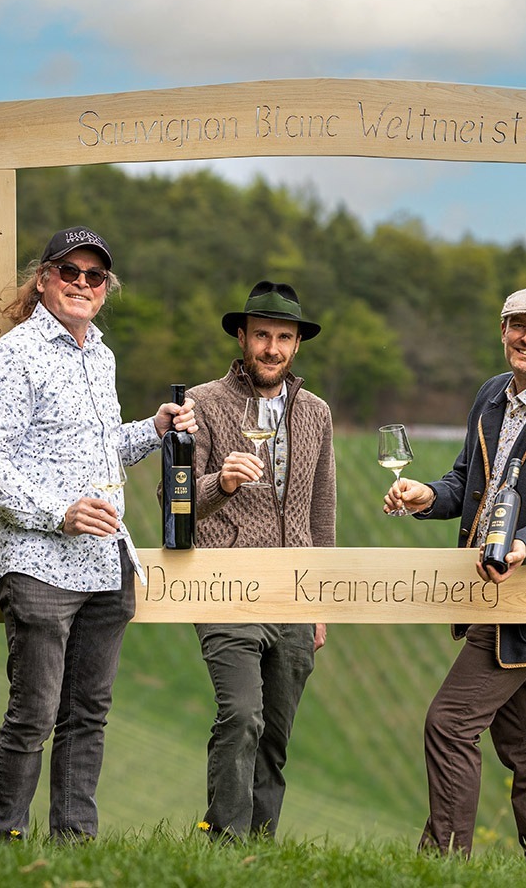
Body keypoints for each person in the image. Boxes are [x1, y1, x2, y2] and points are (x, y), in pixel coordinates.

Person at [0, 225, 197, 842]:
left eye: (95, 277)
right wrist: (58, 511)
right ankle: (4, 842)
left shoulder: (101, 354)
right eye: (71, 273)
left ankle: (74, 846)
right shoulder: (15, 355)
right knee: (33, 715)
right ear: (43, 279)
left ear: (105, 289)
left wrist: (155, 426)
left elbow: (103, 450)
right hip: (38, 563)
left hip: (104, 563)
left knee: (87, 716)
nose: (83, 285)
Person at [384, 285, 526, 859]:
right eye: (518, 325)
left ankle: (443, 861)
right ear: (503, 329)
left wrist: (523, 547)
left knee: (450, 722)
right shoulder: (492, 395)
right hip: (492, 596)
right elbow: (466, 482)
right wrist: (425, 495)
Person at [188, 280, 336, 841]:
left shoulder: (316, 412)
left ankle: (260, 849)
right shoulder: (204, 404)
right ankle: (223, 839)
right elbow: (172, 502)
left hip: (297, 592)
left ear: (297, 345)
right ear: (243, 338)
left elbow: (322, 514)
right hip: (225, 587)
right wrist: (220, 483)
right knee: (243, 714)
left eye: (283, 337)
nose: (271, 348)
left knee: (274, 734)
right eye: (262, 336)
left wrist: (322, 602)